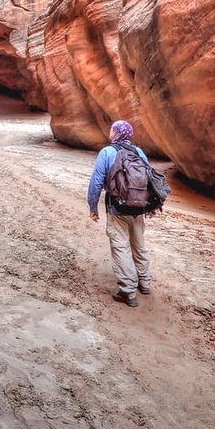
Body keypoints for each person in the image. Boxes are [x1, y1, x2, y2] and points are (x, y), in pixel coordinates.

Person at [87, 119, 152, 307]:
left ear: (115, 133)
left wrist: (93, 206)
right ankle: (145, 282)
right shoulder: (138, 152)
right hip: (139, 207)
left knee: (121, 246)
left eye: (112, 130)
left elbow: (97, 181)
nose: (110, 132)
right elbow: (149, 178)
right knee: (139, 243)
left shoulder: (107, 152)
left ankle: (127, 290)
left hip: (117, 207)